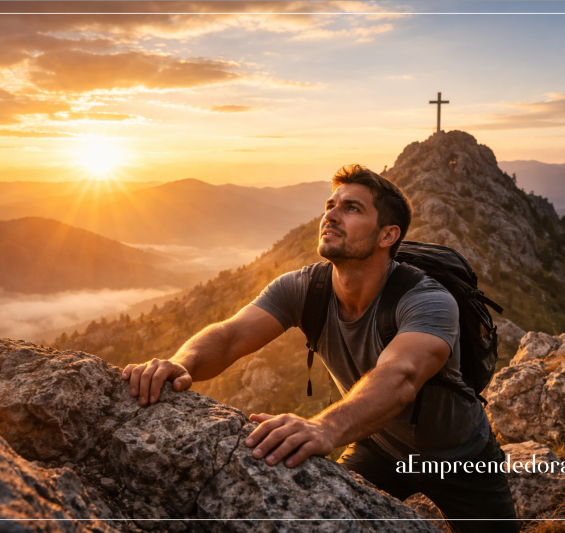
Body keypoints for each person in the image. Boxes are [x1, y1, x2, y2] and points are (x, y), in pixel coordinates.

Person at [122, 164, 518, 532]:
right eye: (330, 205)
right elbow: (230, 335)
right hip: (378, 446)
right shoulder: (303, 288)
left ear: (387, 235)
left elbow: (401, 374)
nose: (330, 215)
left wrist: (325, 427)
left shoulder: (428, 300)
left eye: (351, 208)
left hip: (461, 456)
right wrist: (181, 363)